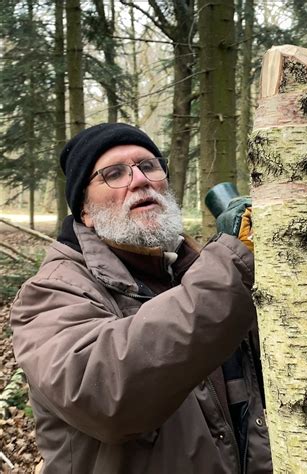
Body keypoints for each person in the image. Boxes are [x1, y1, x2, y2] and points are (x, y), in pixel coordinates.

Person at [10, 123, 272, 474]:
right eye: (114, 173)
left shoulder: (196, 271)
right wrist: (234, 265)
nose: (140, 179)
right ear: (85, 211)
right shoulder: (51, 292)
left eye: (148, 165)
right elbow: (105, 396)